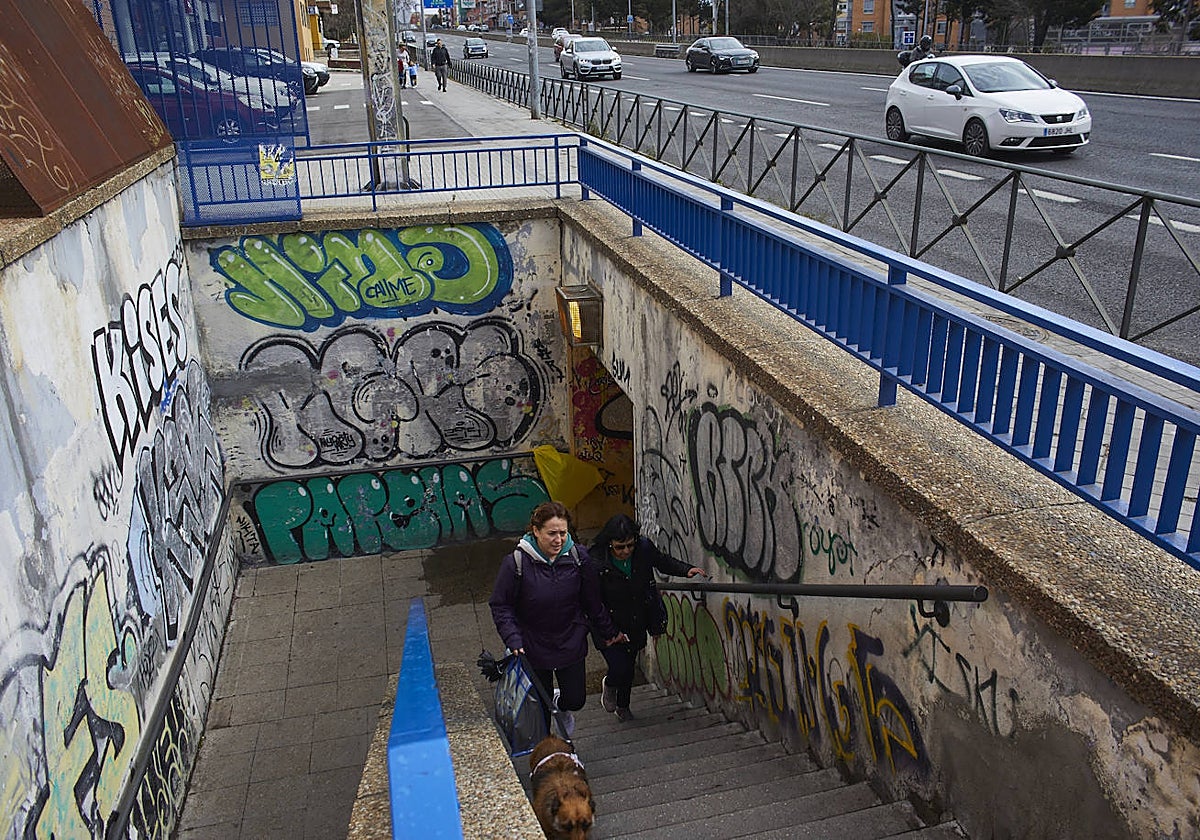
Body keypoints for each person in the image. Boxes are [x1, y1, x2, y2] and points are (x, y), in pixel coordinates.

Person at [490, 502, 626, 736]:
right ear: (536, 531)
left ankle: (561, 705)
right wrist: (513, 638)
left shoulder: (578, 558)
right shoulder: (516, 563)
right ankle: (548, 751)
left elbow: (592, 601)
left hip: (570, 640)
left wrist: (609, 632)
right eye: (552, 533)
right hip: (533, 645)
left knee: (575, 699)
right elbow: (501, 605)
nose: (559, 539)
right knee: (540, 709)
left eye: (563, 533)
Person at [590, 514, 704, 721]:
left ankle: (623, 706)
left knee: (629, 666)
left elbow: (662, 561)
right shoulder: (596, 561)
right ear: (609, 543)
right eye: (620, 547)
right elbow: (593, 602)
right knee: (619, 666)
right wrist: (611, 631)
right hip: (608, 623)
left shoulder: (643, 549)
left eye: (630, 545)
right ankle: (610, 684)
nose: (626, 551)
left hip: (636, 618)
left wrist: (686, 570)